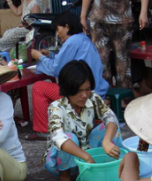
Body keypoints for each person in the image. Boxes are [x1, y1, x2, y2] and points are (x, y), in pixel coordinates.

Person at [26, 11, 109, 141]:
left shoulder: (72, 41)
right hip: (97, 90)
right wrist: (50, 55)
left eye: (58, 29)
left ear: (67, 27)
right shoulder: (83, 38)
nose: (58, 34)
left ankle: (42, 130)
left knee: (38, 87)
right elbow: (65, 61)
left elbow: (56, 70)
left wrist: (40, 57)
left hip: (83, 94)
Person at [44, 60, 122, 181]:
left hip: (87, 152)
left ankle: (112, 167)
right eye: (79, 91)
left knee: (111, 129)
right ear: (68, 89)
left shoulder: (93, 98)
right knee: (68, 138)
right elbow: (58, 138)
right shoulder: (56, 107)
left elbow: (111, 118)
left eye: (87, 89)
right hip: (60, 161)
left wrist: (106, 141)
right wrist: (86, 157)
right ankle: (65, 179)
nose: (84, 95)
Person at [80, 0, 149, 90]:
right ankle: (103, 96)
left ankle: (124, 96)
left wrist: (143, 12)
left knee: (123, 64)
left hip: (123, 20)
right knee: (101, 63)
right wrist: (83, 15)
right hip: (98, 19)